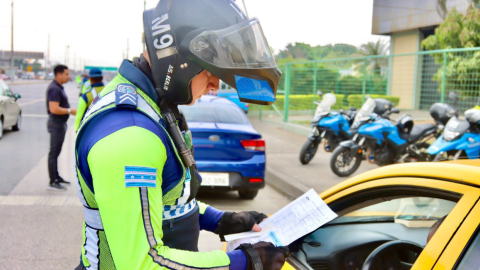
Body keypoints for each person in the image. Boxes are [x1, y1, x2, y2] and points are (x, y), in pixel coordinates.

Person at [74, 0, 287, 269]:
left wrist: (222, 220)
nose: (214, 86)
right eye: (213, 72)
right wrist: (244, 261)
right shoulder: (131, 136)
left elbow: (167, 203)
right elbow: (141, 263)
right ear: (180, 61)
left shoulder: (153, 107)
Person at [46, 65, 76, 191]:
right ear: (58, 74)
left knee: (56, 152)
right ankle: (52, 181)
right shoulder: (54, 89)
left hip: (59, 124)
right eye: (66, 74)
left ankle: (57, 177)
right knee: (53, 153)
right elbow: (53, 108)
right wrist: (70, 110)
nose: (68, 76)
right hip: (56, 123)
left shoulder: (58, 88)